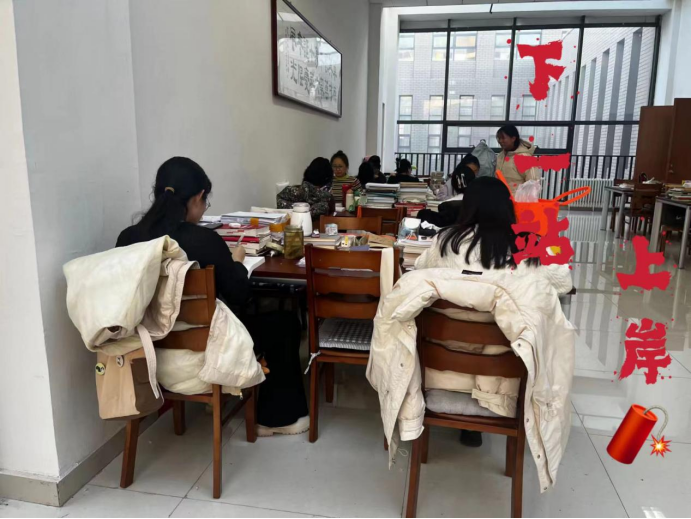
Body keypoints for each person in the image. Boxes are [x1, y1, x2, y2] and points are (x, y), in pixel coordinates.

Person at [117, 157, 309, 437]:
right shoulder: (203, 240)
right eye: (205, 202)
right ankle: (277, 418)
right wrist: (237, 262)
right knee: (285, 323)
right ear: (197, 198)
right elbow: (240, 295)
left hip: (147, 355)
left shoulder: (127, 239)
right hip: (205, 358)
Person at [415, 177, 572, 448]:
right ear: (509, 207)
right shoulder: (529, 245)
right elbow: (564, 283)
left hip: (443, 361)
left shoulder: (446, 241)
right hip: (504, 369)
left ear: (467, 207)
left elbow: (419, 271)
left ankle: (465, 417)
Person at [496, 125, 540, 195]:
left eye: (503, 138)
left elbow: (533, 183)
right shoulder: (500, 156)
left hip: (517, 199)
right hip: (500, 198)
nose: (500, 141)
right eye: (499, 138)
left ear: (513, 138)